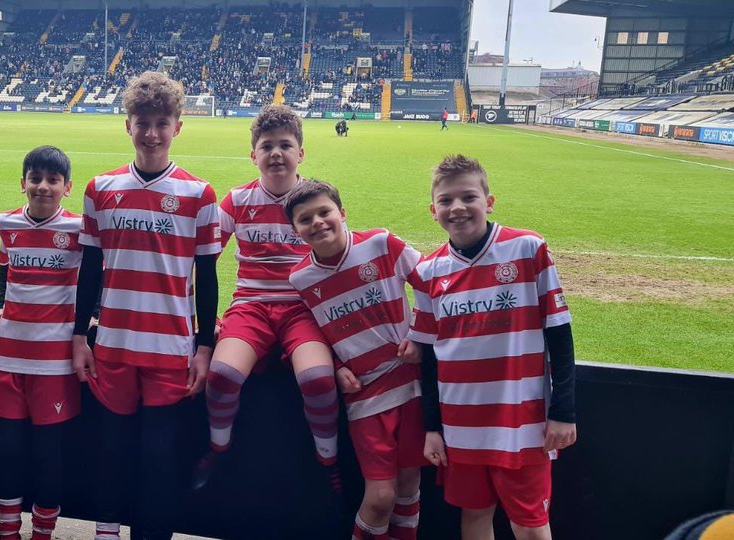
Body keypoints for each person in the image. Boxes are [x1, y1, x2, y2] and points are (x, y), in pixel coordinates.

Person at [72, 71, 221, 540]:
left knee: (160, 457)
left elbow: (208, 275)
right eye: (142, 122)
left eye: (162, 122)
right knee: (112, 451)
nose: (152, 133)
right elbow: (89, 270)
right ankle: (106, 533)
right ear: (128, 125)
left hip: (170, 349)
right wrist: (80, 335)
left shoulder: (199, 194)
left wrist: (204, 346)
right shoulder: (100, 189)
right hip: (113, 345)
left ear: (178, 126)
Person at [409, 155, 577, 540]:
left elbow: (559, 333)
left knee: (531, 526)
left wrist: (564, 411)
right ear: (433, 210)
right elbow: (429, 358)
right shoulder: (427, 272)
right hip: (459, 426)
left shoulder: (527, 249)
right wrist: (433, 428)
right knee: (474, 518)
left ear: (489, 201)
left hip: (520, 424)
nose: (458, 208)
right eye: (446, 200)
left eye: (468, 196)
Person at [190, 106, 345, 501]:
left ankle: (328, 461)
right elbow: (202, 260)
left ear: (301, 153)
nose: (277, 153)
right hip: (251, 307)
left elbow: (342, 264)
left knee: (318, 380)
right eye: (267, 146)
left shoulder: (315, 201)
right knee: (222, 375)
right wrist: (203, 319)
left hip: (303, 310)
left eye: (286, 145)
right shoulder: (238, 199)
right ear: (253, 155)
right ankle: (218, 448)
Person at [284, 180, 425, 540]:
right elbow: (310, 331)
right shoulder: (301, 278)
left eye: (324, 212)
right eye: (305, 219)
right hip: (365, 395)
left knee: (408, 488)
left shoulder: (381, 243)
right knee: (381, 497)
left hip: (412, 382)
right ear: (296, 231)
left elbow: (431, 284)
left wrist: (421, 335)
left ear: (342, 213)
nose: (317, 222)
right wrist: (336, 366)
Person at [0, 146, 81, 540]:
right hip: (8, 356)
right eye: (35, 179)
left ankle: (43, 532)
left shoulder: (78, 229)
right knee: (8, 450)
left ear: (67, 187)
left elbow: (98, 275)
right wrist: (3, 306)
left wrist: (90, 317)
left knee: (48, 454)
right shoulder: (7, 222)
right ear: (23, 182)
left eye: (52, 180)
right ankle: (8, 531)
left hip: (55, 361)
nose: (43, 187)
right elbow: (5, 266)